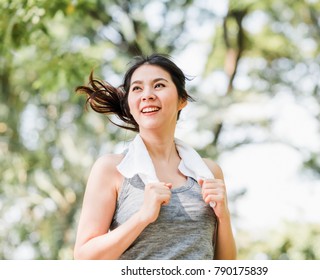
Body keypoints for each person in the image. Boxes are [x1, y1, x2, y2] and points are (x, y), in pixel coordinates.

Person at [73, 53, 236, 260]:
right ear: (130, 104)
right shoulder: (111, 169)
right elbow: (84, 259)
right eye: (137, 88)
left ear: (182, 99)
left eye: (159, 85)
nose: (147, 95)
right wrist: (142, 217)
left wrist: (224, 216)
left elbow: (227, 266)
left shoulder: (209, 172)